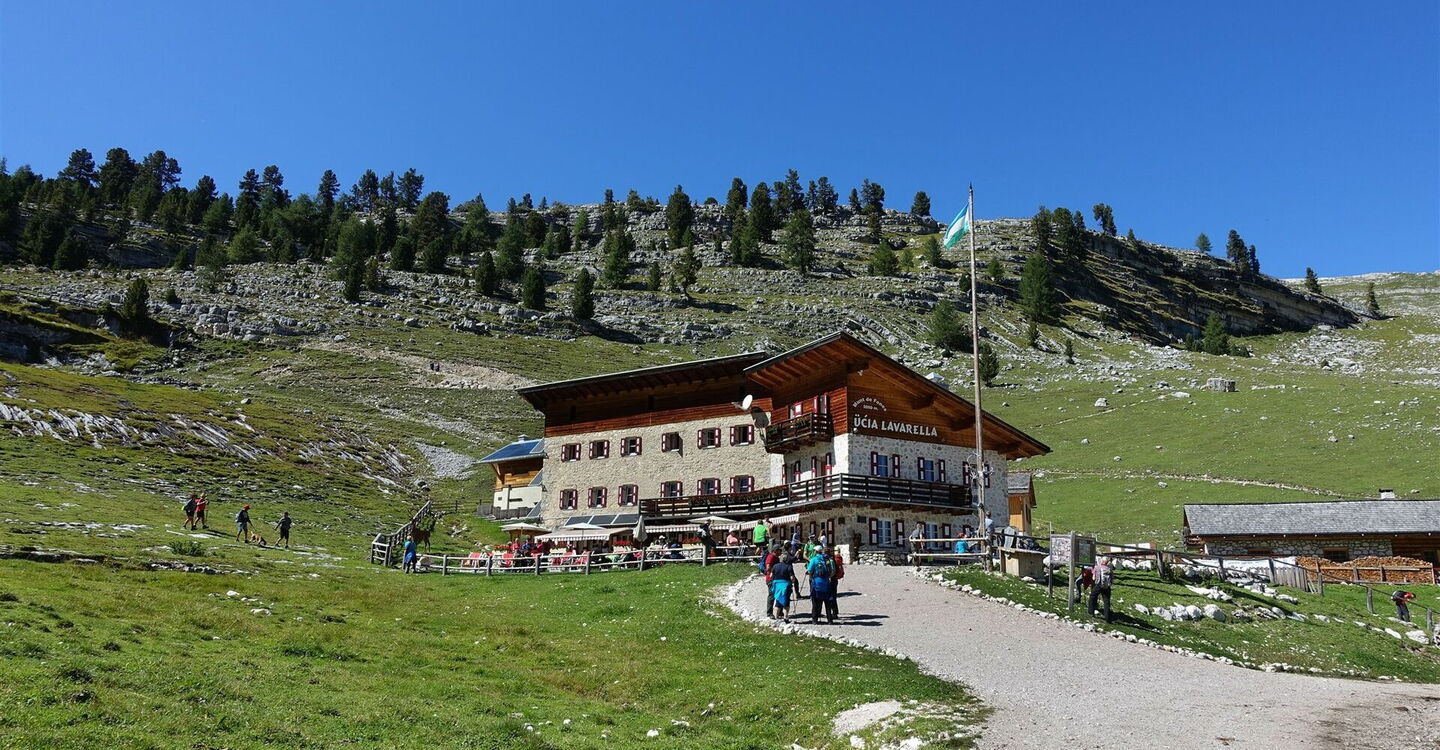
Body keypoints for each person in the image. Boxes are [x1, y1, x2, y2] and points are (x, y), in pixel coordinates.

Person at [807, 545, 839, 624]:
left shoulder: (814, 559)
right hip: (826, 583)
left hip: (816, 583)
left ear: (815, 551)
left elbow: (809, 571)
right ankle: (830, 620)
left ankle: (815, 620)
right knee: (827, 602)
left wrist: (811, 577)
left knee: (815, 602)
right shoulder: (827, 559)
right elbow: (831, 570)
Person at [770, 553, 800, 623]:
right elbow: (792, 578)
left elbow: (771, 576)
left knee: (778, 600)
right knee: (786, 601)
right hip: (786, 586)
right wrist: (793, 582)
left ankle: (776, 617)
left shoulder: (775, 566)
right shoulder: (789, 566)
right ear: (787, 559)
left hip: (777, 586)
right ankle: (786, 617)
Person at [1088, 556, 1114, 622]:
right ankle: (1107, 617)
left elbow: (1093, 578)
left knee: (1092, 597)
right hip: (1107, 587)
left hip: (1099, 585)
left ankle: (1091, 612)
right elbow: (1112, 579)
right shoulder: (1109, 569)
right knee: (1106, 601)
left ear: (1102, 561)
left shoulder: (1097, 567)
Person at [761, 544, 780, 617]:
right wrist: (776, 570)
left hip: (776, 578)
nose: (781, 551)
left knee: (778, 595)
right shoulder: (771, 557)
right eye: (779, 550)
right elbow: (768, 567)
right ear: (776, 550)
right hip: (770, 579)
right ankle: (769, 613)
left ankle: (779, 611)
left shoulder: (776, 557)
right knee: (771, 596)